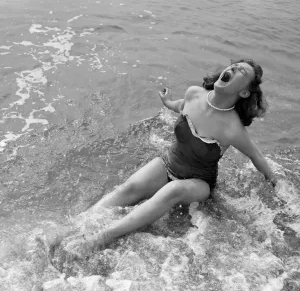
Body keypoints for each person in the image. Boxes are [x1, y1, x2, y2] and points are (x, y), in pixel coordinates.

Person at [61, 58, 277, 259]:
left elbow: (256, 156)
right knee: (127, 189)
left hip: (199, 182)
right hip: (170, 161)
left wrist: (275, 182)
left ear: (245, 93)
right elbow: (180, 105)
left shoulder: (232, 128)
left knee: (171, 192)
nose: (232, 69)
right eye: (234, 65)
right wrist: (167, 101)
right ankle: (74, 227)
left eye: (241, 71)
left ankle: (103, 237)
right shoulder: (194, 94)